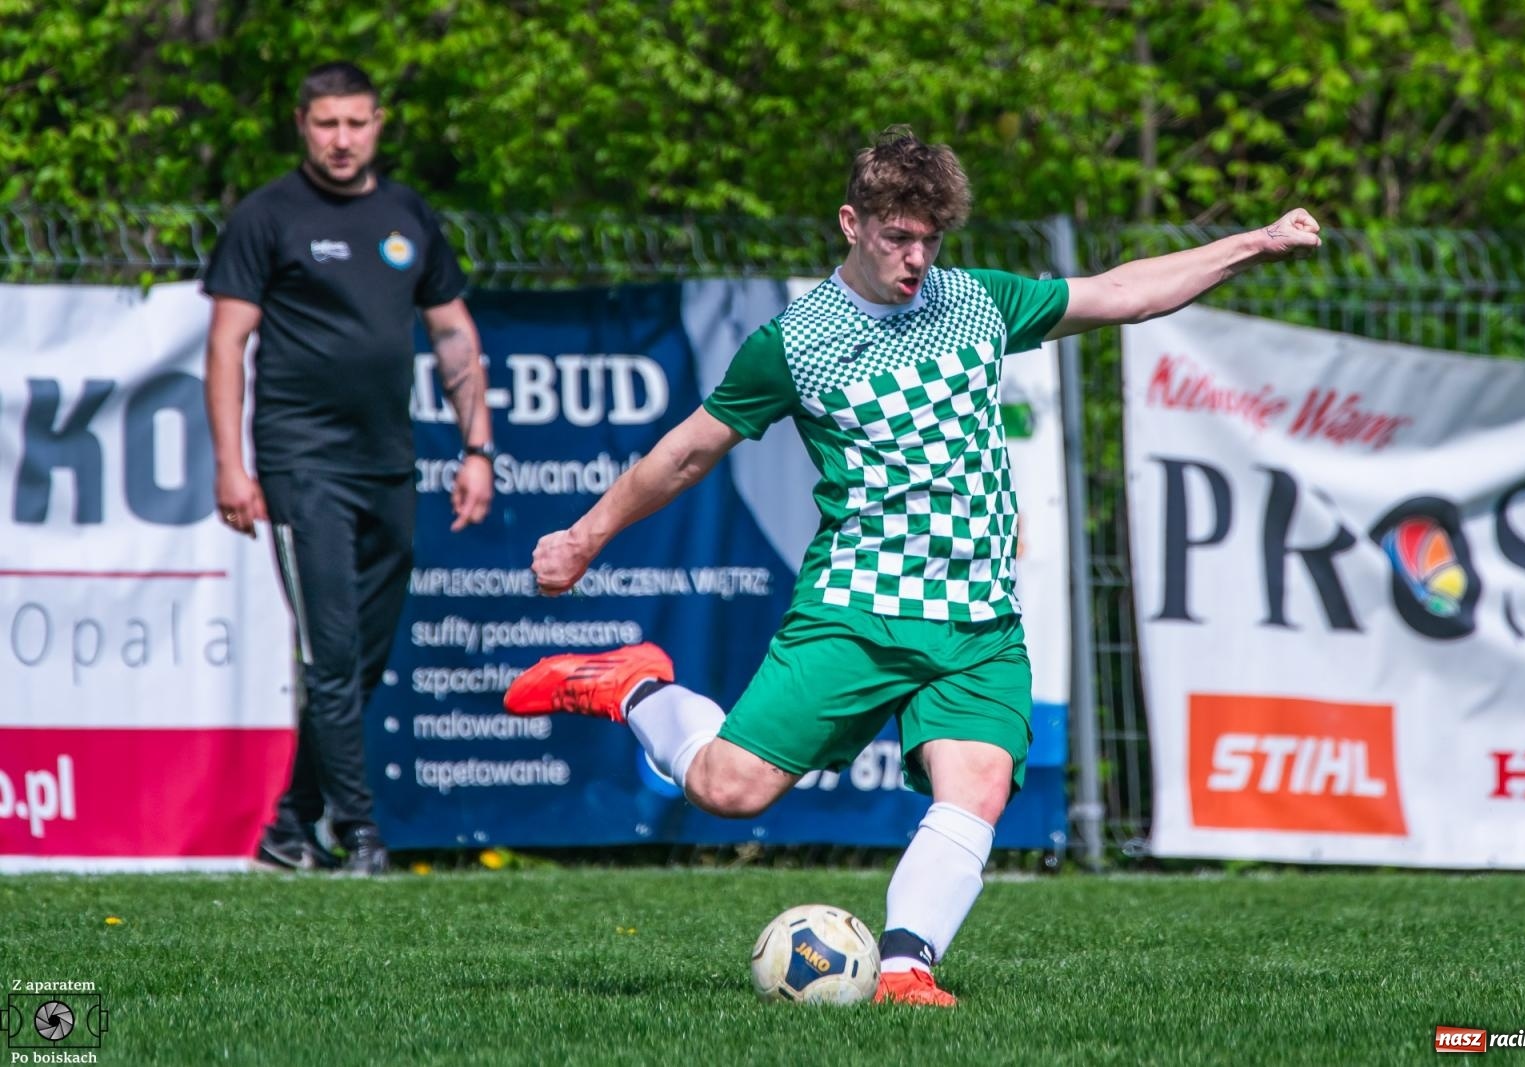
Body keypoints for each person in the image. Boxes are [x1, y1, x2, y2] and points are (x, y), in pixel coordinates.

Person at [505, 126, 1320, 1001]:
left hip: (978, 618)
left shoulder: (976, 301)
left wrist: (1256, 241)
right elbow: (686, 454)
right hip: (859, 606)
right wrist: (586, 536)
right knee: (731, 789)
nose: (916, 256)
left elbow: (1123, 293)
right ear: (852, 223)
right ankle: (635, 685)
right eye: (897, 236)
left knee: (980, 781)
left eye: (930, 237)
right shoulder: (793, 342)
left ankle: (904, 970)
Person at [203, 61, 494, 876]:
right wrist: (233, 465)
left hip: (388, 466)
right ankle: (360, 832)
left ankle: (290, 826)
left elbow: (454, 335)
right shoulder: (267, 216)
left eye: (356, 123)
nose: (342, 139)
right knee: (329, 652)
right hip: (302, 465)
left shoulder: (406, 213)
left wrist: (478, 449)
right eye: (327, 123)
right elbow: (227, 344)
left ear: (379, 122)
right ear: (303, 123)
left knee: (364, 656)